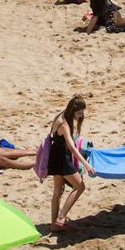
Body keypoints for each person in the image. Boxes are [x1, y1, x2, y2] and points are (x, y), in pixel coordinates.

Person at [48, 95, 94, 231]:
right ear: (73, 110)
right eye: (79, 113)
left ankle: (54, 226)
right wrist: (86, 164)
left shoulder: (60, 115)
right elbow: (72, 148)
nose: (81, 116)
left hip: (55, 157)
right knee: (80, 187)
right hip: (62, 159)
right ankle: (61, 218)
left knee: (58, 192)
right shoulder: (64, 124)